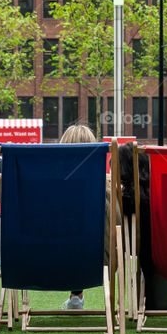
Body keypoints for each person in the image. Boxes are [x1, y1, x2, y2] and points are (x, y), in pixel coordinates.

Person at [59, 123, 115, 311]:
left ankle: (75, 295)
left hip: (46, 262)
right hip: (99, 265)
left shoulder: (47, 188)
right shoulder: (103, 190)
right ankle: (77, 295)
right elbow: (118, 224)